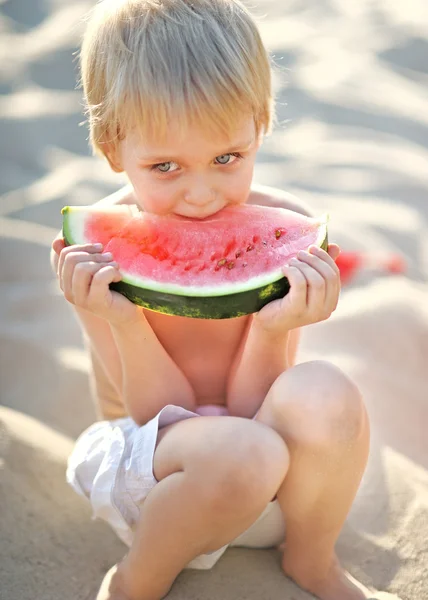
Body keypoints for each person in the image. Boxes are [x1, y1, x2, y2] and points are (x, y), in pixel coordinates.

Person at [51, 1, 399, 599]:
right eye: (165, 167)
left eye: (226, 158)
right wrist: (125, 321)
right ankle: (135, 581)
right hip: (158, 482)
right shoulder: (94, 257)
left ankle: (312, 560)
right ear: (113, 150)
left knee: (325, 389)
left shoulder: (285, 226)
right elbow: (147, 415)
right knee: (239, 449)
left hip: (275, 488)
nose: (202, 195)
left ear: (259, 126)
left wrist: (272, 329)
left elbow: (256, 405)